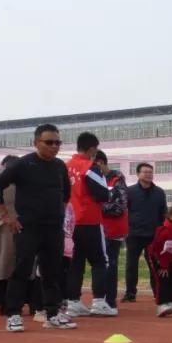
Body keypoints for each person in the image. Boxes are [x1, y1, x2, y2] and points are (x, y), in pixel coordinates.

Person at [0, 123, 77, 331]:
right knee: (22, 269)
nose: (54, 146)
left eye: (58, 142)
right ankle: (13, 314)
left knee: (52, 271)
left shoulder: (59, 166)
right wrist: (6, 217)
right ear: (36, 143)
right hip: (27, 227)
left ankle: (52, 313)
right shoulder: (23, 165)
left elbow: (66, 194)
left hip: (53, 228)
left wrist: (59, 214)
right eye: (49, 142)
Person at [0, 155, 44, 319]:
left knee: (2, 268)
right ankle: (30, 305)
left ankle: (6, 305)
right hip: (23, 226)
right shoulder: (30, 181)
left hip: (1, 229)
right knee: (25, 267)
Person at [64, 132, 113, 317]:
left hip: (70, 222)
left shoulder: (66, 166)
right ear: (92, 148)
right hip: (90, 220)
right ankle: (99, 302)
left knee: (75, 263)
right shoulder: (90, 166)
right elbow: (102, 193)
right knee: (100, 261)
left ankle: (73, 302)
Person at [123, 162, 167, 302]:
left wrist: (163, 233)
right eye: (145, 172)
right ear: (138, 174)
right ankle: (130, 294)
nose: (148, 174)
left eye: (150, 172)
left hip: (153, 236)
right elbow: (124, 212)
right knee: (131, 265)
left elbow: (163, 214)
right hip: (134, 235)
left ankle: (158, 294)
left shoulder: (159, 193)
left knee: (154, 266)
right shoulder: (129, 191)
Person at [96, 151, 128, 311]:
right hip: (97, 229)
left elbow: (119, 207)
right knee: (99, 265)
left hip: (113, 231)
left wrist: (97, 208)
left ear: (101, 163)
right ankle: (99, 299)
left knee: (111, 264)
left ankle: (110, 300)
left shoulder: (117, 181)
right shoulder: (94, 180)